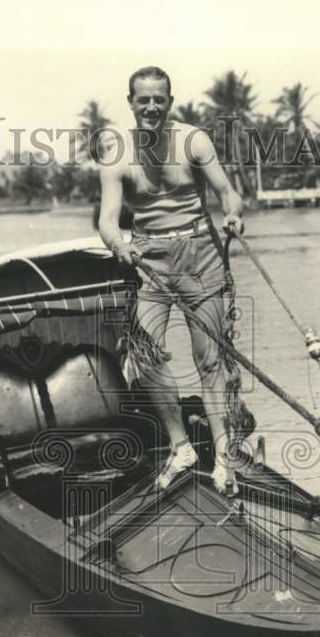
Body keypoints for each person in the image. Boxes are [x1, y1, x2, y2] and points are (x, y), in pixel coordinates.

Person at [97, 65, 245, 493]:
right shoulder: (116, 153)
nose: (151, 107)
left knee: (211, 361)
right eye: (143, 99)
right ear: (130, 103)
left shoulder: (193, 140)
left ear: (170, 102)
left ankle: (224, 459)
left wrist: (233, 214)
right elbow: (108, 219)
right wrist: (118, 244)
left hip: (201, 256)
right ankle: (182, 446)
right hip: (150, 262)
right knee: (143, 355)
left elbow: (227, 191)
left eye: (159, 99)